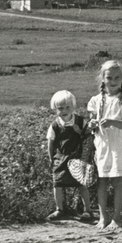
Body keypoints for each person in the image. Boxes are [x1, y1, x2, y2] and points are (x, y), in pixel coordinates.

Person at [87, 60, 122, 231]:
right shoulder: (96, 100)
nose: (113, 81)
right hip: (102, 144)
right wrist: (93, 124)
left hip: (120, 144)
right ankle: (103, 217)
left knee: (116, 180)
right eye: (109, 77)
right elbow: (92, 122)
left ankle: (116, 218)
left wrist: (112, 122)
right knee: (101, 180)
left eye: (117, 77)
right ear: (102, 79)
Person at [46, 90, 93, 222]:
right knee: (58, 184)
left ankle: (87, 210)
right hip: (60, 158)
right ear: (55, 109)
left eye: (68, 107)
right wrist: (51, 158)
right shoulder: (55, 125)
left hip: (78, 157)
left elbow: (88, 136)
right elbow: (51, 142)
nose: (64, 110)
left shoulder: (80, 122)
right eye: (60, 108)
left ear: (73, 107)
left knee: (81, 184)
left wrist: (86, 154)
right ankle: (59, 209)